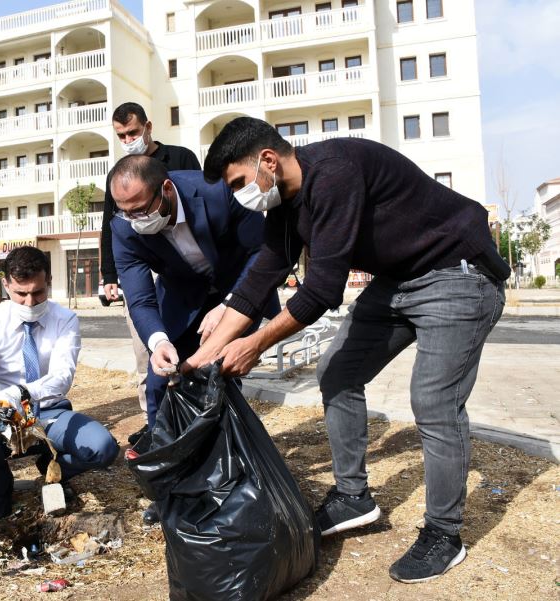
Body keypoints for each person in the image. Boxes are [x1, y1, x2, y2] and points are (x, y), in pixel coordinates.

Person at [185, 117, 509, 584]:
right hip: (399, 281)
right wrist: (199, 360)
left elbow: (321, 291)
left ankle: (444, 533)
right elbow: (258, 282)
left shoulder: (334, 172)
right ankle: (353, 498)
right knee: (338, 372)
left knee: (434, 401)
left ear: (268, 161)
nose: (239, 196)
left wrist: (255, 344)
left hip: (457, 274)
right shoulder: (284, 205)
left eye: (239, 182)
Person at [110, 154, 279, 435]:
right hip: (182, 298)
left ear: (166, 189)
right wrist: (158, 341)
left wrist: (229, 305)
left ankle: (226, 446)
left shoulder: (219, 190)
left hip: (238, 288)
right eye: (124, 212)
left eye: (139, 210)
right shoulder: (123, 228)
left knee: (218, 372)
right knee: (159, 380)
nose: (133, 221)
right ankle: (164, 449)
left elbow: (261, 252)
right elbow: (139, 297)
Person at [0, 246, 119, 520]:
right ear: (6, 284)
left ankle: (53, 468)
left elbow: (62, 378)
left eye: (38, 293)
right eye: (21, 294)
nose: (30, 302)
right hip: (7, 415)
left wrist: (21, 392)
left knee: (103, 448)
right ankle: (2, 484)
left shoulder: (65, 320)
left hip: (51, 413)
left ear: (49, 281)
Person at [99, 102, 201, 445]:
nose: (129, 140)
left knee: (195, 347)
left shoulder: (182, 158)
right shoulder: (119, 176)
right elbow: (111, 227)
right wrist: (109, 275)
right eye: (121, 136)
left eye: (133, 132)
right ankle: (155, 420)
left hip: (191, 267)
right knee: (149, 346)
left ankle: (193, 414)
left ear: (148, 127)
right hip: (146, 267)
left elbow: (201, 207)